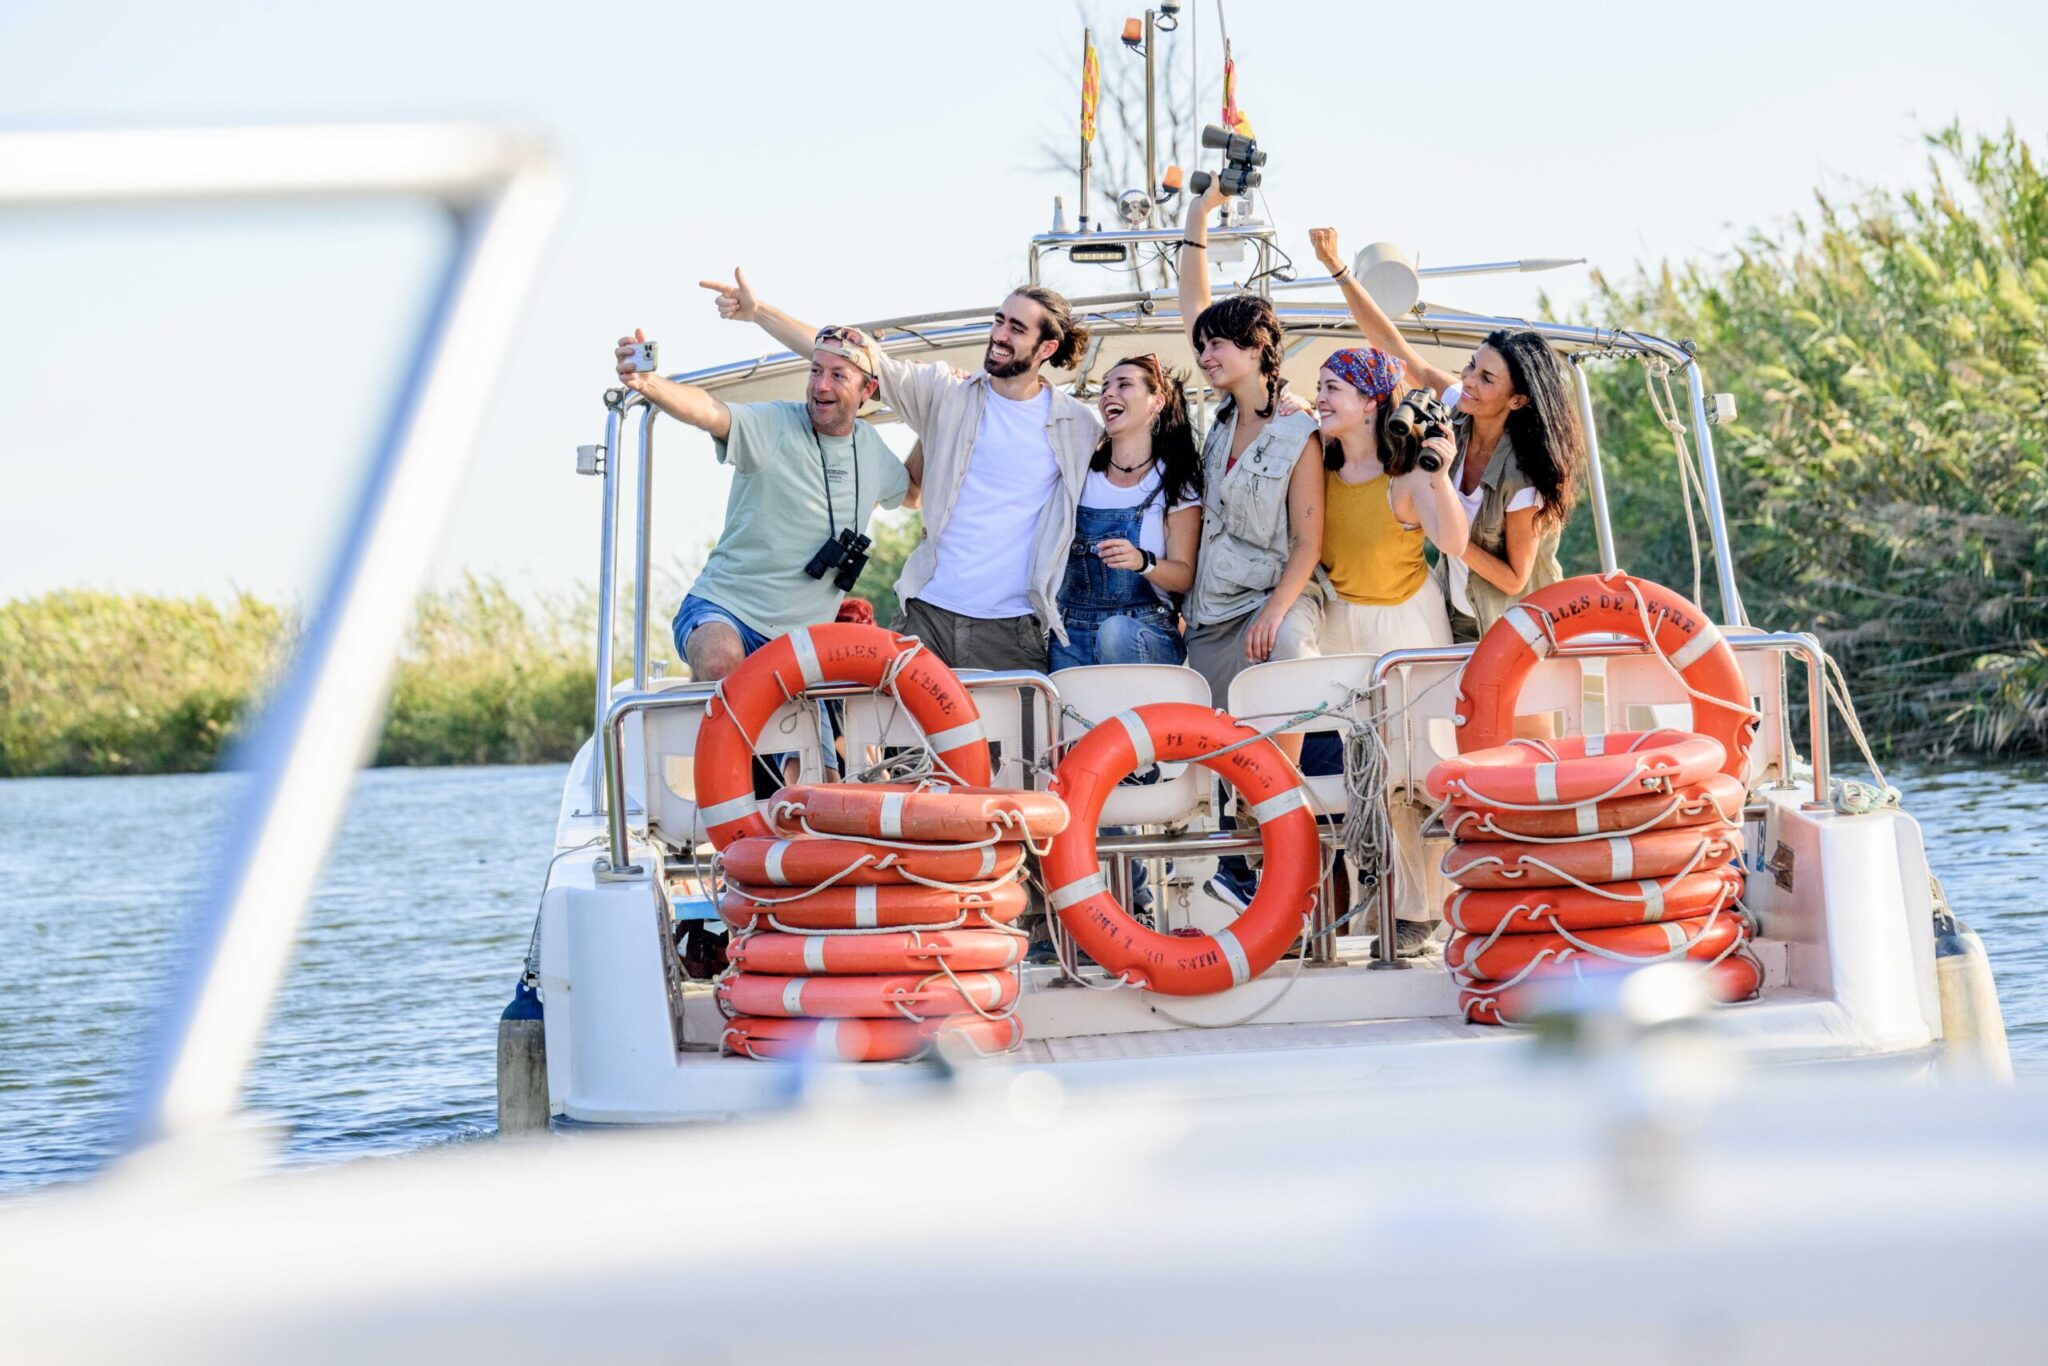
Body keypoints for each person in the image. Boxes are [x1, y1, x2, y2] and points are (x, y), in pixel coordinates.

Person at [701, 269, 1096, 673]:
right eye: (998, 320)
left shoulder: (1078, 427)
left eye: (1016, 328)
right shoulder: (947, 393)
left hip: (1013, 627)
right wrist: (757, 311)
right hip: (927, 615)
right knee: (903, 738)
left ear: (1046, 347)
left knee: (1017, 739)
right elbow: (844, 356)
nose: (999, 334)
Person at [1308, 227, 1583, 639]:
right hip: (1458, 614)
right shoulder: (1457, 410)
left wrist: (1449, 537)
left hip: (1516, 627)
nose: (1469, 380)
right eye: (1471, 366)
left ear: (1518, 400)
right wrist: (1338, 269)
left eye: (1486, 378)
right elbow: (1390, 344)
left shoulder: (1522, 479)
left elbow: (1513, 580)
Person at [1286, 345, 1467, 954]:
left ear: (1369, 403)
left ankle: (1420, 910)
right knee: (1354, 777)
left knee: (1411, 776)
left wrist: (1437, 473)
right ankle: (1367, 906)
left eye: (1333, 387)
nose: (1321, 397)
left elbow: (1453, 540)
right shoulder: (1316, 466)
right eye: (1320, 386)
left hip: (1408, 628)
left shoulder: (1407, 475)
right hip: (1340, 626)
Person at [613, 324, 913, 681]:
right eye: (815, 370)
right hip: (726, 612)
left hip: (801, 642)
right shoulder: (774, 423)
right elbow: (709, 411)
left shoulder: (870, 448)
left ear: (868, 390)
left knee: (837, 725)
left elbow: (914, 492)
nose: (821, 386)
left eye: (838, 375)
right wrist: (648, 383)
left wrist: (938, 412)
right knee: (719, 659)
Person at [1176, 184, 1325, 704]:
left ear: (1258, 348)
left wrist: (1276, 611)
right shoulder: (1218, 422)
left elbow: (1308, 542)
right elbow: (1194, 304)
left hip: (1270, 603)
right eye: (1202, 346)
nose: (1204, 355)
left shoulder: (1298, 429)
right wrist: (1198, 213)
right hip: (1210, 610)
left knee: (1286, 658)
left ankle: (1289, 787)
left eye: (1217, 344)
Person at [1049, 354, 1203, 670]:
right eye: (1105, 387)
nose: (1108, 394)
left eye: (1124, 385)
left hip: (1144, 630)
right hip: (1070, 631)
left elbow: (1184, 576)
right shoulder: (1079, 475)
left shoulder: (1174, 482)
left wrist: (1141, 561)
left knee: (1115, 632)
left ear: (1156, 402)